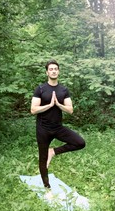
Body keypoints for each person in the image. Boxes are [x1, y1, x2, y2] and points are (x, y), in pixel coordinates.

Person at [31, 59, 85, 190]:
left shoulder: (63, 90)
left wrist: (58, 104)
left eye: (55, 69)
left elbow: (70, 110)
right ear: (47, 72)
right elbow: (33, 110)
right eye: (51, 69)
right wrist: (49, 105)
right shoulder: (40, 89)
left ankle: (53, 151)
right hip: (43, 129)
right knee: (42, 159)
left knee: (80, 143)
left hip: (58, 128)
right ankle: (47, 187)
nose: (53, 71)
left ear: (58, 71)